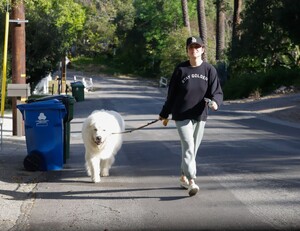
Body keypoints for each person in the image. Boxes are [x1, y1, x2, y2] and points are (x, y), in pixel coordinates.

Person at [158, 36, 223, 196]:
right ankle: (192, 181)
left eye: (197, 47)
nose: (194, 50)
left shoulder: (209, 70)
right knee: (188, 146)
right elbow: (171, 94)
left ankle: (182, 177)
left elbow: (217, 92)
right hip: (181, 115)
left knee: (192, 150)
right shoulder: (181, 70)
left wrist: (215, 102)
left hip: (200, 115)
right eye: (191, 47)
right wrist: (165, 113)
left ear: (202, 50)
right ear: (187, 51)